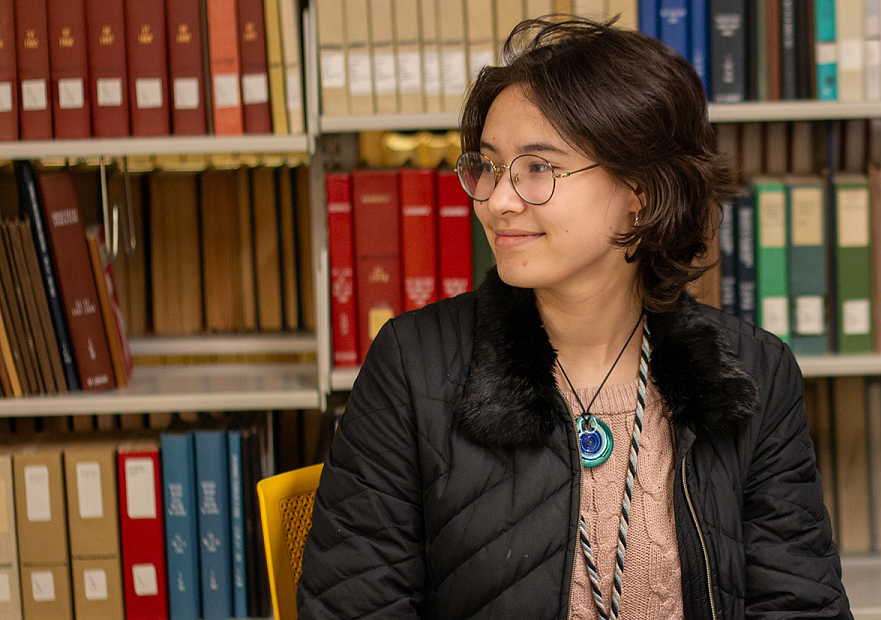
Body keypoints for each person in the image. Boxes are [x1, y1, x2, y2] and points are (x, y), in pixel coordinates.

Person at [297, 17, 850, 620]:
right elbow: (353, 606)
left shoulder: (753, 371)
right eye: (487, 166)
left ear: (640, 188)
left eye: (538, 168)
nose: (498, 200)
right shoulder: (414, 366)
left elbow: (801, 605)